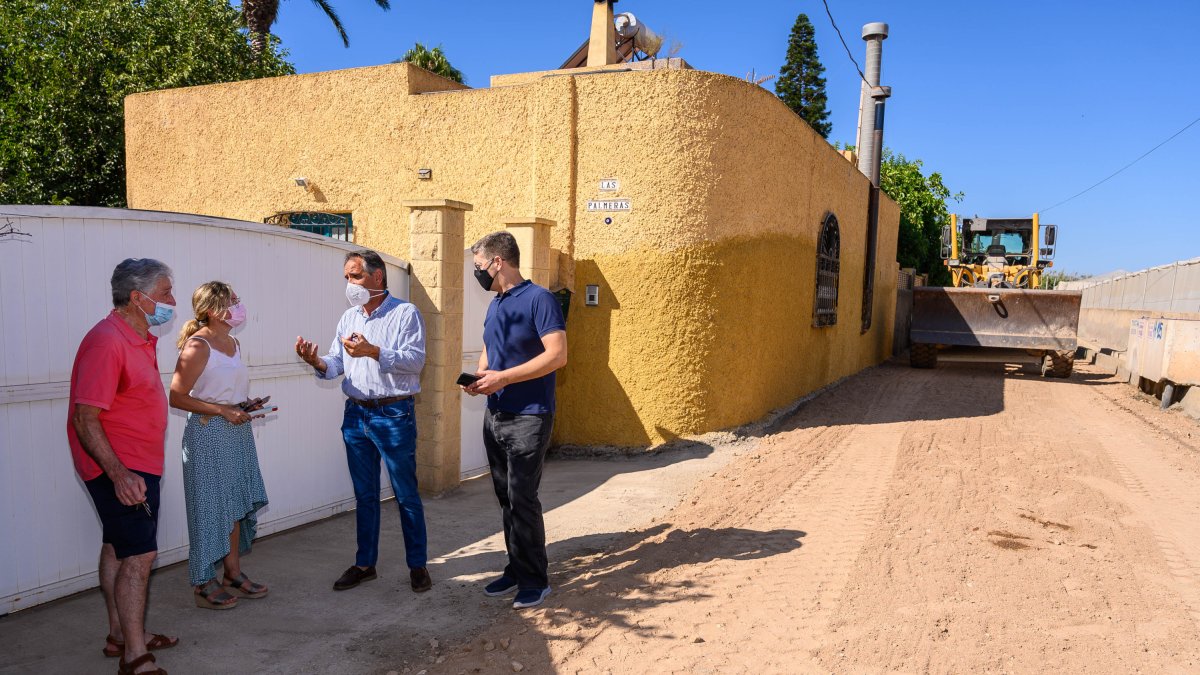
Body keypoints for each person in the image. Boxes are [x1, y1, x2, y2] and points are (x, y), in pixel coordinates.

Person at [294, 250, 432, 593]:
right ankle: (364, 564)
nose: (350, 283)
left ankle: (417, 565)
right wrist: (316, 361)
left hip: (393, 415)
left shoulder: (405, 313)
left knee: (405, 494)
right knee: (365, 495)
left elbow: (415, 361)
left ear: (377, 277)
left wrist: (374, 351)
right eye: (347, 277)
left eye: (355, 276)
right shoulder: (348, 317)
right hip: (356, 415)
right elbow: (336, 364)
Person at [68, 258, 179, 675]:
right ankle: (135, 655)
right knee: (140, 554)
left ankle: (120, 635)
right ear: (138, 297)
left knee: (118, 546)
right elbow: (85, 417)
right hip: (121, 467)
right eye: (165, 293)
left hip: (134, 463)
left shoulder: (136, 336)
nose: (172, 300)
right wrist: (118, 474)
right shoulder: (107, 341)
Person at [464, 231, 567, 610]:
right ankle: (516, 568)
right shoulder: (496, 304)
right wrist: (480, 378)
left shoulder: (540, 299)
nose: (477, 272)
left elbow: (557, 355)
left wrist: (504, 378)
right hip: (496, 414)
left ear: (498, 262)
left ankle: (535, 581)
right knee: (506, 497)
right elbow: (490, 349)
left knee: (523, 498)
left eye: (479, 265)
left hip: (529, 415)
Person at [169, 281, 271, 610]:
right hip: (208, 433)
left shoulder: (233, 342)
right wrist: (222, 410)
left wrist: (244, 404)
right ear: (213, 310)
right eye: (232, 301)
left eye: (238, 299)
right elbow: (176, 396)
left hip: (236, 431)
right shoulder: (198, 346)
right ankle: (202, 583)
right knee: (210, 506)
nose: (239, 306)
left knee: (234, 503)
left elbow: (224, 390)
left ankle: (232, 574)